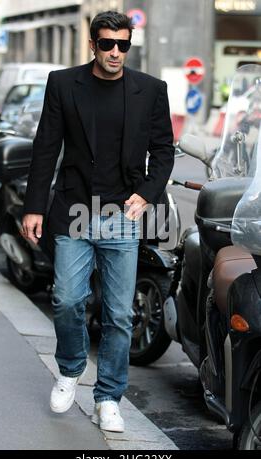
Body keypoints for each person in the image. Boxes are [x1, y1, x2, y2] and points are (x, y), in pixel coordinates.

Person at [21, 10, 175, 433]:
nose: (115, 52)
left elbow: (164, 151)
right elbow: (45, 147)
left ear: (130, 44)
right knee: (68, 300)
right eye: (107, 44)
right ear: (93, 44)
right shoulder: (63, 83)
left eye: (123, 44)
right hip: (73, 209)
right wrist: (34, 206)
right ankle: (70, 369)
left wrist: (146, 194)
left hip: (122, 215)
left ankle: (108, 396)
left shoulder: (150, 90)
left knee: (119, 314)